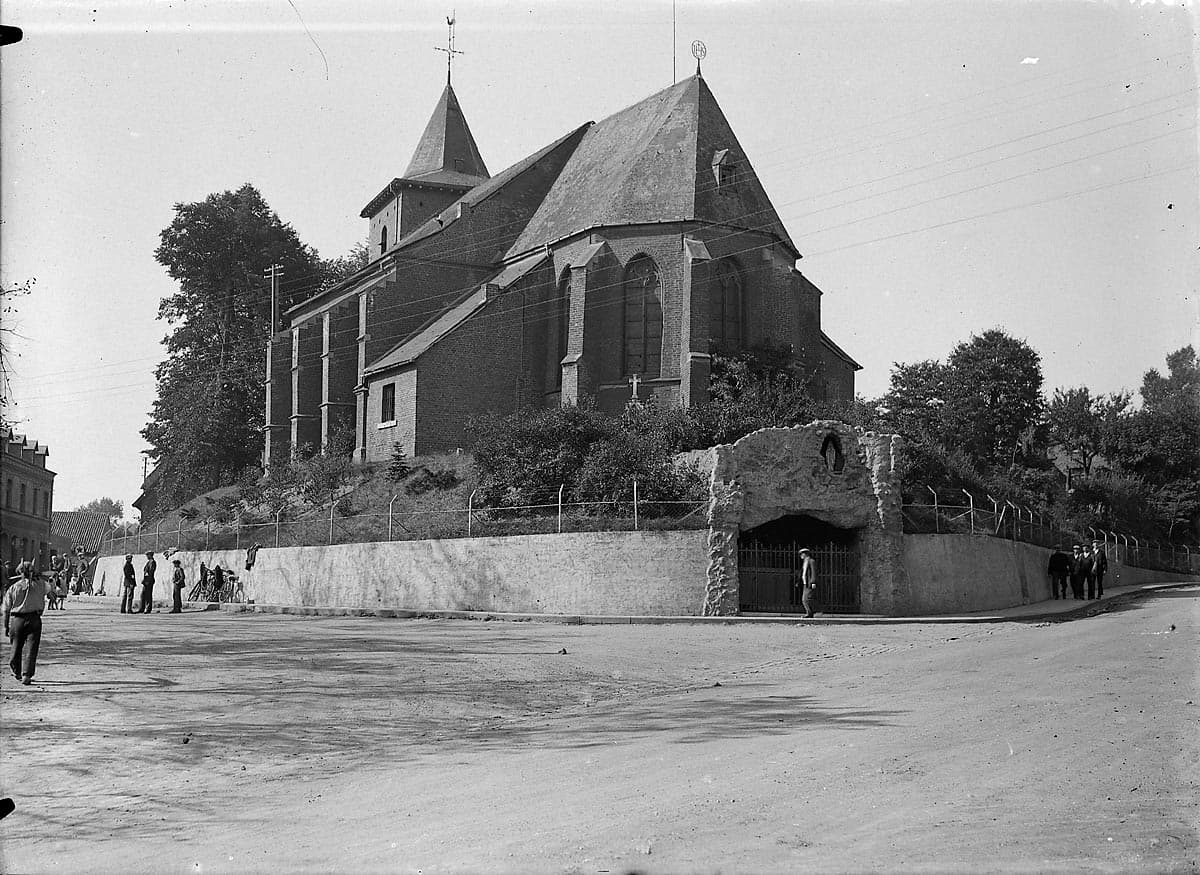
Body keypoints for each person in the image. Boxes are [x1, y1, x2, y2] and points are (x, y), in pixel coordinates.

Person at [4, 565, 53, 685]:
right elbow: (50, 592)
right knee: (32, 648)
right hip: (34, 619)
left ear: (20, 573)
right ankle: (27, 674)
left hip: (17, 619)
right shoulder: (41, 584)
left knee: (16, 646)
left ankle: (17, 671)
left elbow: (6, 609)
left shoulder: (14, 587)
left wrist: (6, 626)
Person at [798, 547, 817, 619]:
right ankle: (810, 613)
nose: (801, 556)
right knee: (806, 599)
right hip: (805, 583)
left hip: (810, 583)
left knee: (805, 599)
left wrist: (813, 582)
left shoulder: (811, 561)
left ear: (805, 554)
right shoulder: (805, 562)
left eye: (802, 554)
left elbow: (813, 573)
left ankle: (810, 613)